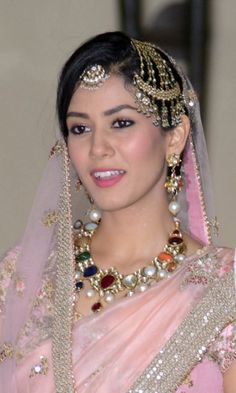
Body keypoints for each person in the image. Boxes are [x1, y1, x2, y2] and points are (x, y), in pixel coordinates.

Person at [0, 31, 235, 393]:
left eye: (121, 123)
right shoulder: (23, 275)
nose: (98, 148)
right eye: (80, 128)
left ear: (174, 136)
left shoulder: (224, 292)